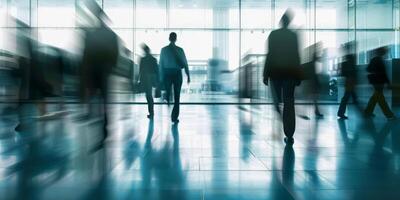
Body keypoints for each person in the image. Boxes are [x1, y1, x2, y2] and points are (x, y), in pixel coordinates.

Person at [80, 0, 119, 144]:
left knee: (96, 98)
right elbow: (115, 54)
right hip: (103, 72)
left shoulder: (91, 35)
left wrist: (86, 72)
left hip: (95, 71)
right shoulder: (110, 35)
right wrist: (110, 68)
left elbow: (86, 55)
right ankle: (104, 125)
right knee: (104, 100)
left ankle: (99, 122)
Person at [263, 10, 300, 145]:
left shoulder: (274, 35)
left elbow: (269, 54)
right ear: (289, 22)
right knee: (289, 102)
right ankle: (289, 133)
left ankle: (279, 110)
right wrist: (298, 75)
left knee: (277, 100)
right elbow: (296, 56)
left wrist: (265, 74)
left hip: (276, 73)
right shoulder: (293, 36)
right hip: (289, 74)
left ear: (281, 21)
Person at [159, 32, 191, 123]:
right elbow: (185, 63)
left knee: (169, 92)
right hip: (177, 73)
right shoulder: (180, 50)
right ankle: (174, 117)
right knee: (177, 97)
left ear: (169, 38)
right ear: (176, 39)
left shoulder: (163, 50)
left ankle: (168, 99)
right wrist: (188, 75)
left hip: (167, 73)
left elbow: (161, 64)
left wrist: (161, 78)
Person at [364, 47, 396, 120]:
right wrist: (388, 83)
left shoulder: (374, 59)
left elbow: (368, 69)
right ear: (382, 52)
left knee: (375, 97)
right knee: (381, 98)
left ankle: (368, 111)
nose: (385, 53)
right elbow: (384, 74)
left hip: (375, 82)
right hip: (379, 82)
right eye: (385, 52)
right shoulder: (380, 60)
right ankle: (389, 115)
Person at [337, 42, 362, 119]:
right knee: (349, 97)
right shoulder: (350, 57)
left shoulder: (347, 58)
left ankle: (341, 113)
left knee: (349, 97)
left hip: (349, 80)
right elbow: (352, 70)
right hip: (350, 81)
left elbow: (345, 72)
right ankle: (363, 113)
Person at [139, 44, 159, 119]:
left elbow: (141, 71)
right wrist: (157, 81)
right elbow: (156, 71)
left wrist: (140, 80)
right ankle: (151, 112)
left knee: (148, 96)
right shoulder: (153, 59)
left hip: (146, 79)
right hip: (152, 79)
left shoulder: (143, 59)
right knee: (150, 96)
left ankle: (151, 112)